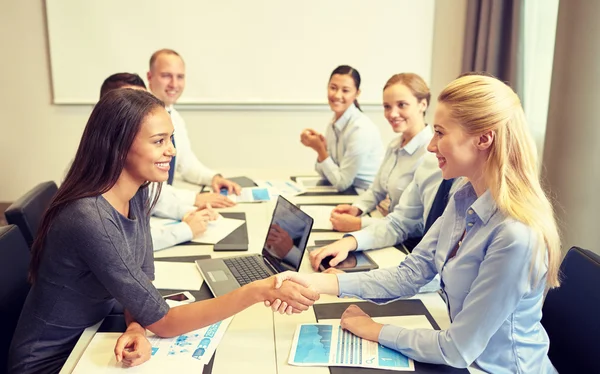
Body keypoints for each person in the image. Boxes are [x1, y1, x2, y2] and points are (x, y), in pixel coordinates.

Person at [8, 89, 319, 374]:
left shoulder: (139, 191)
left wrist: (136, 328)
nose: (170, 151)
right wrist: (258, 290)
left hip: (92, 336)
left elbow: (141, 284)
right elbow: (167, 323)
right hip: (54, 362)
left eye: (170, 139)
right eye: (158, 141)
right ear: (118, 147)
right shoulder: (89, 218)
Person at [270, 75, 562, 372]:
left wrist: (374, 330)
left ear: (483, 139)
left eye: (439, 133)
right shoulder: (463, 198)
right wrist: (317, 283)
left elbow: (457, 349)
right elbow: (410, 274)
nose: (431, 145)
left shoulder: (515, 235)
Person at [98, 73, 218, 251]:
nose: (171, 151)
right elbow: (126, 246)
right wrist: (184, 229)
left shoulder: (136, 191)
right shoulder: (96, 208)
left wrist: (187, 212)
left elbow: (155, 201)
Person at [330, 73, 433, 232]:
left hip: (410, 243)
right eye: (387, 106)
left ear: (423, 104)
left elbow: (423, 223)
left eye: (402, 105)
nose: (392, 114)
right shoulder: (395, 145)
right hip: (385, 230)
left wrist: (359, 224)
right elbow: (376, 191)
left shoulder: (431, 155)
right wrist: (357, 209)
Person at [147, 49, 241, 200]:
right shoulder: (140, 119)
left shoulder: (173, 116)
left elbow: (186, 164)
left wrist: (213, 178)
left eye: (180, 77)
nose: (174, 84)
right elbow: (146, 190)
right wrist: (194, 199)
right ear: (149, 77)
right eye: (166, 76)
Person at [300, 65, 383, 191]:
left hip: (364, 195)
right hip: (348, 192)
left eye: (345, 90)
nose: (337, 95)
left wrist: (321, 150)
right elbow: (325, 174)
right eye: (333, 88)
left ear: (357, 93)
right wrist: (320, 149)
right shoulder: (334, 123)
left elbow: (341, 183)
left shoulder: (360, 129)